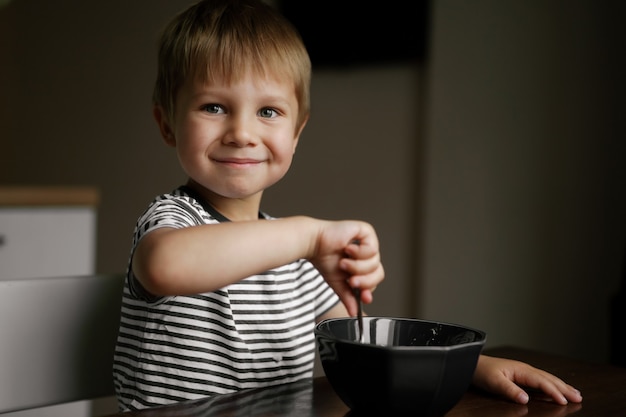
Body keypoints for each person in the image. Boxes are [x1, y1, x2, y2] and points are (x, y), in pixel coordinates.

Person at [112, 0, 582, 411]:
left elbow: (362, 342)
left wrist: (473, 366)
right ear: (167, 122)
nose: (241, 131)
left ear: (296, 132)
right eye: (213, 106)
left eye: (269, 111)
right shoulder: (174, 221)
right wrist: (309, 236)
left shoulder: (296, 259)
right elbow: (165, 265)